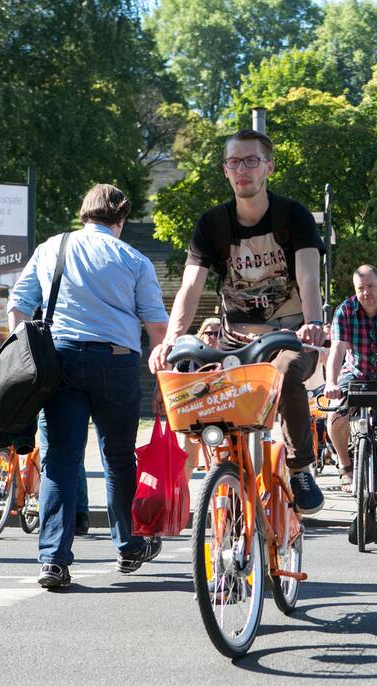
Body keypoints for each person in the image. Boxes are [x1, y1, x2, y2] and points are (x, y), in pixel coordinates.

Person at [148, 128, 327, 515]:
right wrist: (170, 340)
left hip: (289, 333)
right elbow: (190, 288)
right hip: (235, 338)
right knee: (203, 390)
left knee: (286, 375)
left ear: (268, 168)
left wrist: (313, 323)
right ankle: (226, 471)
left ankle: (299, 467)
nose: (242, 169)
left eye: (251, 161)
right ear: (225, 171)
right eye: (234, 162)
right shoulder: (212, 224)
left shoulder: (292, 216)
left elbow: (309, 276)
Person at [9, 184, 169, 589]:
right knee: (117, 457)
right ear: (121, 218)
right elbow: (157, 326)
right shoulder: (134, 259)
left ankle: (54, 561)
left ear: (84, 213)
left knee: (60, 460)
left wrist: (23, 355)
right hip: (115, 362)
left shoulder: (52, 247)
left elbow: (19, 304)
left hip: (59, 361)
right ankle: (128, 544)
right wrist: (164, 378)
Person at [324, 265, 377, 543]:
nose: (366, 293)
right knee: (335, 417)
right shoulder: (345, 310)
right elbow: (337, 351)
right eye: (360, 288)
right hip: (358, 374)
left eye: (371, 287)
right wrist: (331, 382)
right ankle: (346, 466)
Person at [180, 317, 221, 481]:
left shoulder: (230, 358)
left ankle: (224, 497)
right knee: (187, 459)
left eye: (217, 334)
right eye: (208, 333)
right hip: (193, 417)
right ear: (201, 335)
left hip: (223, 415)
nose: (212, 337)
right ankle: (182, 501)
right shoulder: (188, 360)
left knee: (222, 459)